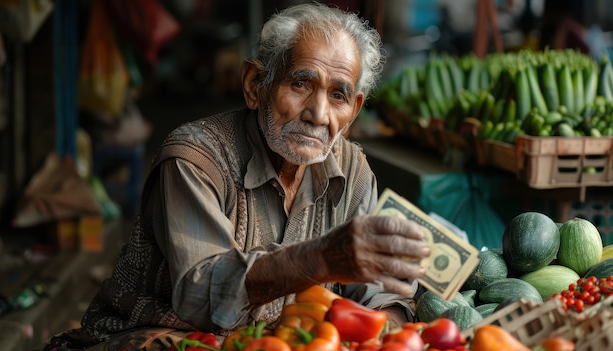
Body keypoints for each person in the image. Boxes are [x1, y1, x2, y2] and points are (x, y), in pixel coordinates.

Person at [40, 2, 430, 350]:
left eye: (338, 96)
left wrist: (387, 330)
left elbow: (378, 298)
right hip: (160, 337)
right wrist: (321, 258)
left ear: (355, 110)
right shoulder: (194, 158)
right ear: (254, 85)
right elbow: (202, 297)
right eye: (300, 83)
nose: (318, 113)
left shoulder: (354, 171)